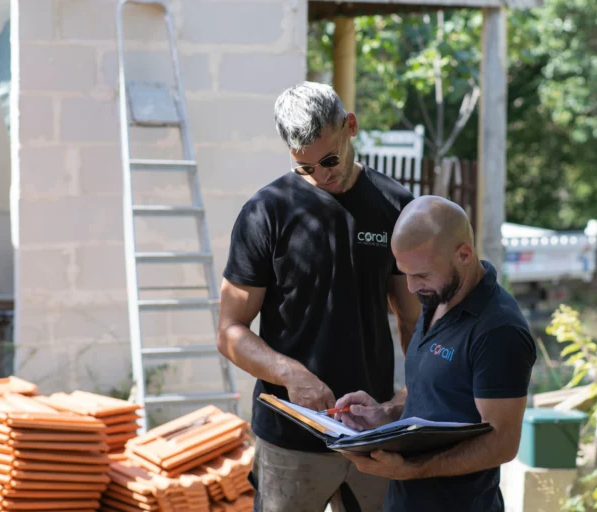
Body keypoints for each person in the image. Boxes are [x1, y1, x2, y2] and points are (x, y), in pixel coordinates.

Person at [216, 81, 422, 512]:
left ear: (351, 127)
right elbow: (230, 331)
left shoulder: (395, 206)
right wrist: (290, 374)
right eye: (304, 167)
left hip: (371, 433)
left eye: (328, 160)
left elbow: (414, 319)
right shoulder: (265, 212)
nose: (320, 175)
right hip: (289, 440)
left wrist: (411, 397)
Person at [335, 195, 537, 511]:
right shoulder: (438, 297)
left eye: (422, 275)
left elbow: (502, 443)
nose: (412, 288)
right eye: (404, 273)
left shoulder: (499, 330)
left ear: (464, 254)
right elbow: (426, 387)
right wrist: (385, 414)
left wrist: (412, 469)